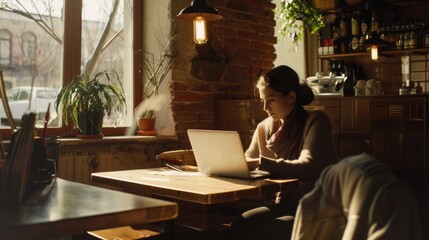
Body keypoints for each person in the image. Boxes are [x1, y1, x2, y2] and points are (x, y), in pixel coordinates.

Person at [229, 65, 338, 240]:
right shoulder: (264, 127)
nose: (265, 107)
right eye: (263, 100)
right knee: (242, 224)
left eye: (271, 100)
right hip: (284, 204)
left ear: (291, 97)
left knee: (277, 229)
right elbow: (248, 160)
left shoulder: (316, 120)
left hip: (318, 207)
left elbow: (308, 166)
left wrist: (260, 163)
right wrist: (228, 163)